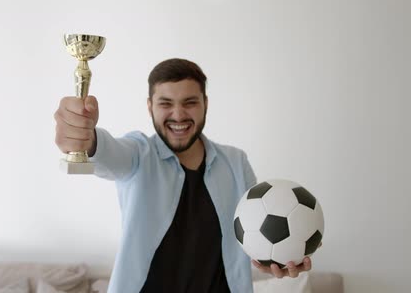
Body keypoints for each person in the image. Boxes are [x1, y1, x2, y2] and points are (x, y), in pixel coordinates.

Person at [54, 58, 313, 292]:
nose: (178, 115)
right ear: (149, 107)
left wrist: (275, 257)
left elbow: (256, 232)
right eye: (165, 103)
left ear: (205, 104)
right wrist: (86, 138)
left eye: (190, 102)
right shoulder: (137, 154)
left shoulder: (236, 162)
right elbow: (108, 152)